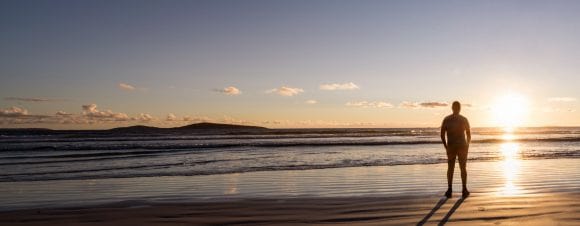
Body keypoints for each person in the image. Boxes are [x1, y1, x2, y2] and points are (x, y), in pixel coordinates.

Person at [440, 101, 471, 198]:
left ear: (452, 108)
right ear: (460, 108)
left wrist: (446, 146)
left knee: (450, 168)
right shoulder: (464, 119)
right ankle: (464, 189)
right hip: (462, 146)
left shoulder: (447, 119)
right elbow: (469, 134)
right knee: (463, 168)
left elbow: (442, 135)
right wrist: (467, 145)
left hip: (451, 147)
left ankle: (449, 190)